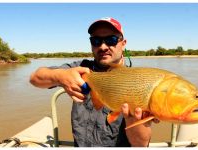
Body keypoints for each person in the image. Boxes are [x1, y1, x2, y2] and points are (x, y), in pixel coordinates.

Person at [30, 17, 155, 147]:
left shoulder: (138, 82)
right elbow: (35, 78)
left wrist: (132, 120)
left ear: (123, 43)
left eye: (111, 40)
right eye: (96, 41)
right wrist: (60, 76)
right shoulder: (80, 68)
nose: (103, 46)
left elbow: (141, 144)